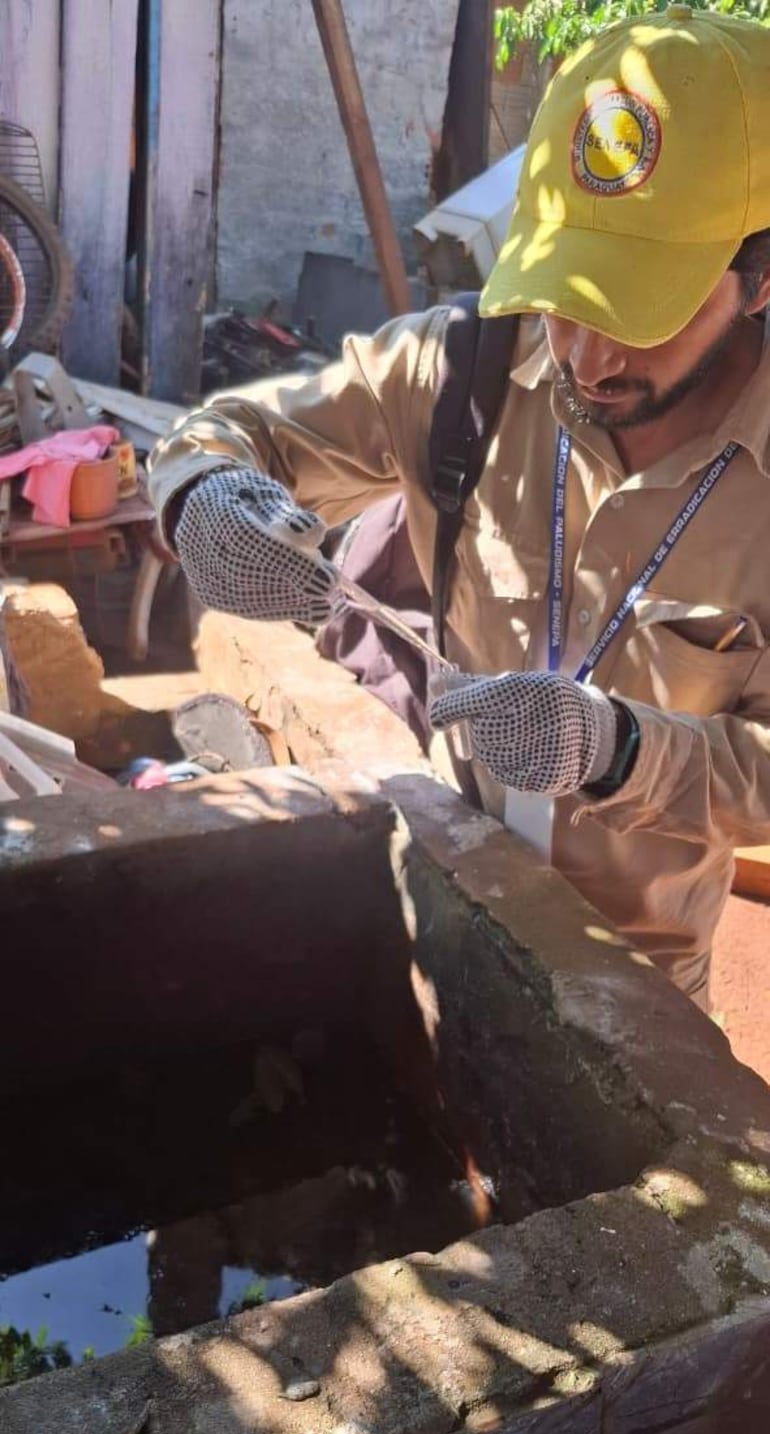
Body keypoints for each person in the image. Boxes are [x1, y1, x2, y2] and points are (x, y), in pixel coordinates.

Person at [148, 5, 770, 1010]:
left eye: (641, 312)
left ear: (756, 278)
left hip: (642, 981)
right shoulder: (457, 373)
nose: (585, 356)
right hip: (439, 893)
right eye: (567, 294)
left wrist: (619, 750)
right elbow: (226, 432)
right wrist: (205, 492)